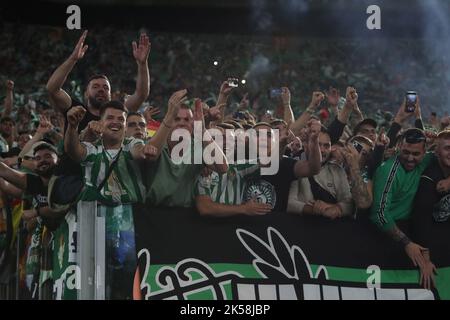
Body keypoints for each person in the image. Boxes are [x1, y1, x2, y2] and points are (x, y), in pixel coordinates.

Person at [65, 100, 158, 300]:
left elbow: (140, 152)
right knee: (98, 280)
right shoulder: (92, 148)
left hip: (131, 223)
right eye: (110, 118)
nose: (116, 122)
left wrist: (150, 147)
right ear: (100, 121)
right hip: (96, 223)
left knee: (131, 279)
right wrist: (72, 126)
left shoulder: (132, 144)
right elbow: (74, 151)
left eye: (121, 119)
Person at [46, 31, 151, 133]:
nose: (101, 89)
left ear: (110, 95)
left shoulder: (119, 113)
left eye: (106, 88)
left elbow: (141, 95)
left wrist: (142, 64)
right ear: (86, 93)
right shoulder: (75, 111)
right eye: (95, 87)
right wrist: (72, 59)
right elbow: (52, 88)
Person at [370, 128, 435, 278]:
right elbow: (379, 214)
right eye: (405, 152)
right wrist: (406, 243)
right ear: (399, 148)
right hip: (386, 233)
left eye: (416, 154)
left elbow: (444, 154)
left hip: (411, 227)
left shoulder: (428, 160)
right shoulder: (388, 171)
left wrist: (437, 138)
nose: (410, 158)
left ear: (424, 153)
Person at [145, 92, 229, 208]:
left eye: (186, 119)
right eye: (176, 119)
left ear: (192, 124)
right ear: (169, 121)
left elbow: (223, 168)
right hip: (151, 212)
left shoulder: (197, 147)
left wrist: (203, 130)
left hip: (183, 215)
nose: (181, 123)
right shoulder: (156, 143)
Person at [242, 121, 322, 212]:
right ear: (247, 140)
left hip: (275, 225)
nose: (263, 138)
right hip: (241, 225)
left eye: (268, 135)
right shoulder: (238, 162)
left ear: (275, 140)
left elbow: (313, 169)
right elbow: (267, 163)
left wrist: (314, 141)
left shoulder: (285, 162)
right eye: (258, 135)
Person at [411, 130, 450, 289]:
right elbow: (421, 222)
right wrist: (426, 260)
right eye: (447, 148)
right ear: (437, 152)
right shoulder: (428, 179)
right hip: (435, 248)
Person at [287, 129, 354, 218]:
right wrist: (315, 209)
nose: (322, 150)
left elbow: (349, 204)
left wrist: (334, 208)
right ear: (306, 145)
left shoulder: (337, 170)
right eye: (318, 144)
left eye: (326, 146)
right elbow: (289, 204)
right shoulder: (294, 166)